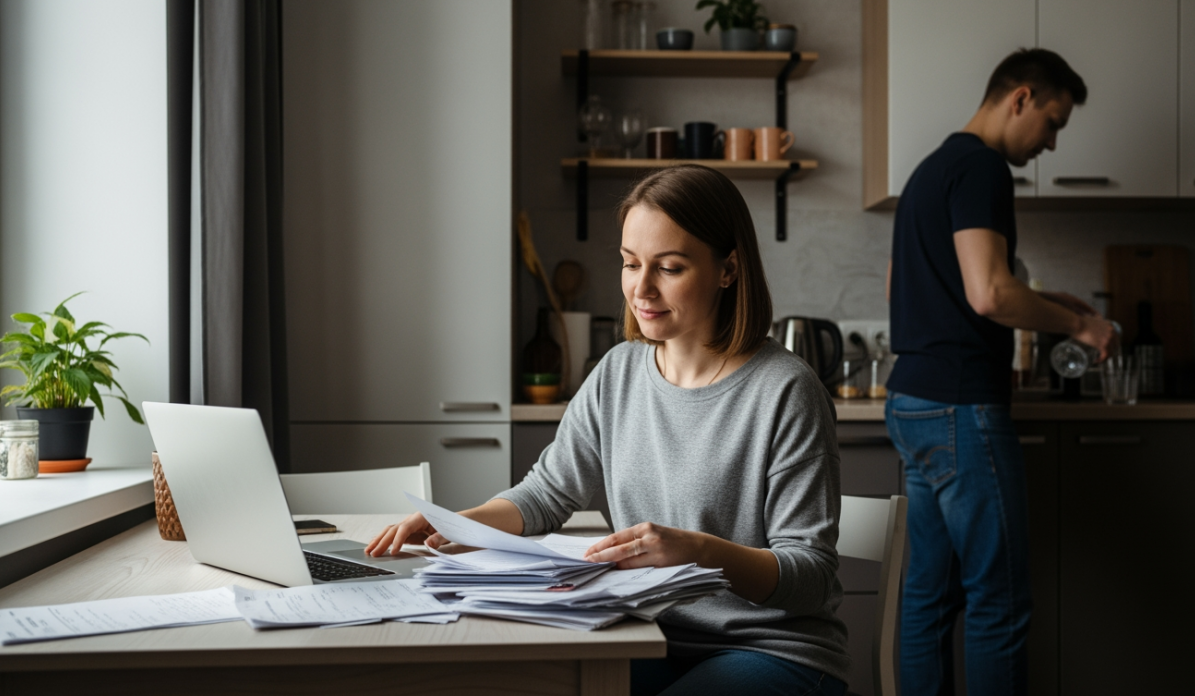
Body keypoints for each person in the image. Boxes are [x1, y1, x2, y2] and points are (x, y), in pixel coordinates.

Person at [367, 164, 849, 696]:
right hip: (646, 634)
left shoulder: (787, 390)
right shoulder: (618, 371)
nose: (641, 289)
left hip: (771, 648)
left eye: (669, 267)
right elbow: (547, 494)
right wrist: (457, 524)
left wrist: (700, 551)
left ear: (728, 269)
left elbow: (809, 576)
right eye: (630, 263)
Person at [884, 49, 1117, 696]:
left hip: (914, 403)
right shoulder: (983, 167)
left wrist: (1046, 301)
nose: (1051, 144)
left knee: (929, 597)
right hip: (961, 408)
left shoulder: (930, 170)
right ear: (1020, 99)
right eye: (1053, 123)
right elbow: (988, 295)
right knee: (999, 599)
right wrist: (1080, 327)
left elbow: (909, 285)